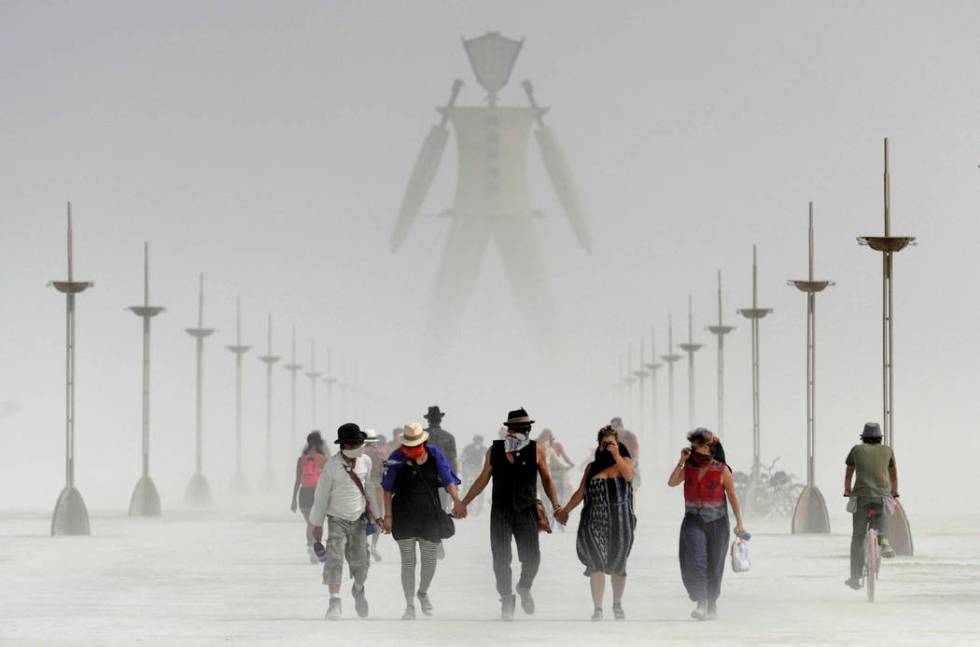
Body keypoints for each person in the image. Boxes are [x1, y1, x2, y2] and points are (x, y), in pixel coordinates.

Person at [455, 407, 564, 620]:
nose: (524, 431)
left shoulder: (537, 450)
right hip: (501, 512)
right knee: (501, 560)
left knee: (532, 558)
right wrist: (463, 503)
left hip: (526, 510)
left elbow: (548, 480)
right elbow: (482, 479)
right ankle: (506, 599)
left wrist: (557, 506)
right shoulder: (494, 450)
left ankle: (524, 587)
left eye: (527, 428)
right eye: (519, 428)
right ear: (509, 429)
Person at [382, 422, 462, 620]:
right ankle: (409, 605)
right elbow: (387, 489)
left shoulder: (434, 455)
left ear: (423, 442)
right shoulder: (396, 458)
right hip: (403, 515)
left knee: (429, 562)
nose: (411, 449)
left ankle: (423, 592)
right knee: (408, 563)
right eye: (408, 445)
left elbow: (448, 480)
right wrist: (388, 516)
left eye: (415, 444)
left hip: (429, 515)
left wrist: (457, 501)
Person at [556, 426, 636, 621]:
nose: (608, 446)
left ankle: (617, 604)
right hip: (594, 520)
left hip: (620, 521)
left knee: (618, 564)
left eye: (612, 443)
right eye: (605, 443)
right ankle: (598, 608)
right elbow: (581, 492)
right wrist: (565, 510)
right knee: (596, 563)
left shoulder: (624, 461)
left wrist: (616, 454)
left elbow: (629, 476)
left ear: (618, 443)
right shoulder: (592, 467)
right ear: (599, 445)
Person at [667, 428, 746, 621]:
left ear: (709, 449)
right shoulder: (689, 467)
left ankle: (712, 603)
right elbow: (672, 482)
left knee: (715, 564)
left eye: (698, 448)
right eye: (692, 448)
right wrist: (681, 461)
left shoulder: (721, 469)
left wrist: (740, 523)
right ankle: (701, 602)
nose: (694, 452)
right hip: (693, 521)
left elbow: (733, 497)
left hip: (717, 523)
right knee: (695, 560)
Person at [310, 423, 387, 621]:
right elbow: (321, 496)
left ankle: (358, 589)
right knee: (334, 560)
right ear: (345, 446)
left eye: (359, 444)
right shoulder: (332, 466)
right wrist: (317, 525)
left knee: (361, 563)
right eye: (354, 444)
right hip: (336, 520)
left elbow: (369, 489)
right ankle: (334, 602)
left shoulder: (366, 462)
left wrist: (378, 517)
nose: (358, 448)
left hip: (359, 520)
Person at [843, 422, 899, 590]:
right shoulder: (887, 450)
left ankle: (855, 577)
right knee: (882, 517)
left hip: (861, 497)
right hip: (881, 496)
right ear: (879, 438)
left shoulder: (856, 450)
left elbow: (849, 474)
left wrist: (847, 490)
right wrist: (894, 492)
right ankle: (885, 542)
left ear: (864, 438)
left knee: (858, 536)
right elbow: (894, 476)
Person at [291, 431, 329, 563]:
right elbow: (328, 480)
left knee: (310, 523)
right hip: (317, 493)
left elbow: (297, 480)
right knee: (318, 523)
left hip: (303, 494)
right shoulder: (323, 459)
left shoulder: (302, 459)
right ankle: (317, 546)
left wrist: (293, 501)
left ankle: (310, 546)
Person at [363, 429, 387, 562]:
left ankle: (365, 544)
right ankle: (374, 545)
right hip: (378, 488)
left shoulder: (359, 454)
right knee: (378, 517)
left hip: (362, 489)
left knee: (364, 518)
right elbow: (385, 472)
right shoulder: (379, 454)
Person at [460, 434, 488, 516]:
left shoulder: (484, 449)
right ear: (474, 441)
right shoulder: (468, 448)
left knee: (479, 489)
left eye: (480, 441)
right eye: (477, 441)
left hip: (478, 471)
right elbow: (463, 458)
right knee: (466, 489)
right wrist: (464, 470)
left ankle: (479, 507)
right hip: (468, 470)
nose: (478, 443)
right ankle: (466, 506)